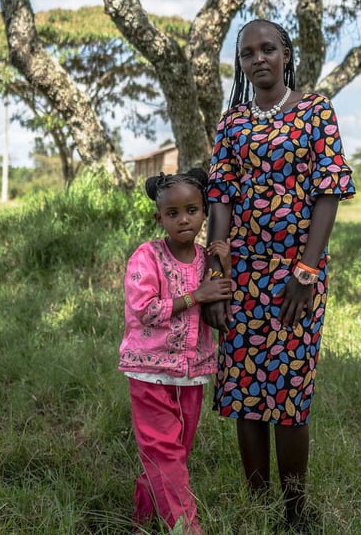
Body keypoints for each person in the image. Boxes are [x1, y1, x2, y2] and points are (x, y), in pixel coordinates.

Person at [203, 19, 356, 530]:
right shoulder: (232, 123)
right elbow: (220, 196)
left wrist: (306, 271)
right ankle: (258, 504)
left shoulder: (315, 111)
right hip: (241, 274)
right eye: (248, 53)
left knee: (290, 395)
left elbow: (328, 192)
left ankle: (294, 513)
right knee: (244, 392)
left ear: (287, 54)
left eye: (268, 48)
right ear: (241, 64)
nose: (259, 58)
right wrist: (218, 272)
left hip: (297, 277)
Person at [118, 169, 234, 534]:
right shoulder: (146, 257)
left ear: (204, 214)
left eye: (192, 210)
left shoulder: (206, 259)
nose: (184, 219)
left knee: (175, 453)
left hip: (192, 374)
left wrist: (224, 266)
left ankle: (142, 516)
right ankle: (187, 528)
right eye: (173, 214)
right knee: (165, 452)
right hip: (149, 373)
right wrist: (193, 297)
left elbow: (221, 306)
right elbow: (144, 308)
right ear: (160, 218)